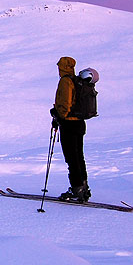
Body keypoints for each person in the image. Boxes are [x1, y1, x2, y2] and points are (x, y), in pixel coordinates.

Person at [51, 56, 91, 202]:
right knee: (78, 156)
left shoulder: (66, 81)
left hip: (69, 124)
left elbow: (65, 104)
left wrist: (57, 114)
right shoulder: (76, 81)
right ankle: (83, 188)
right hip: (79, 123)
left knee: (71, 158)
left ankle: (76, 189)